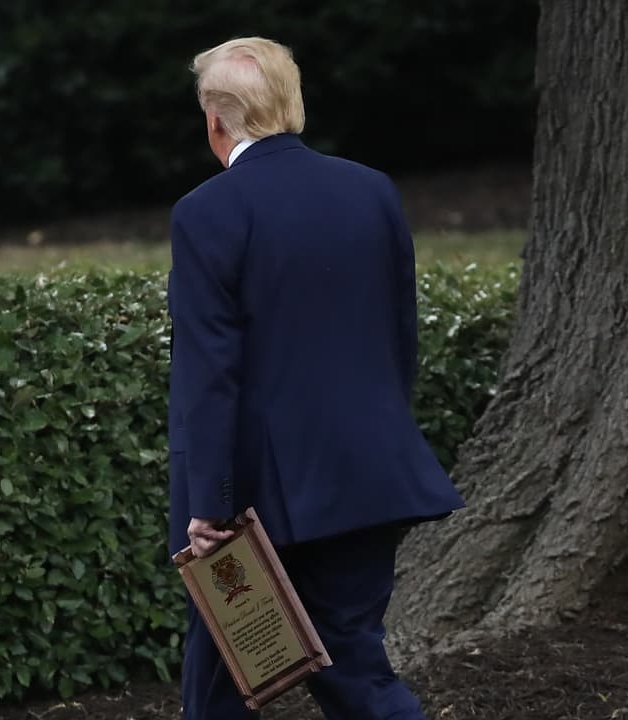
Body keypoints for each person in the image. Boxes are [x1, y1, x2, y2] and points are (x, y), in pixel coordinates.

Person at [166, 37, 465, 720]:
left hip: (252, 500)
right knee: (355, 666)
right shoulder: (371, 191)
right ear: (291, 104)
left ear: (214, 120)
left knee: (219, 681)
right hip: (366, 474)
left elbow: (211, 369)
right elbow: (399, 336)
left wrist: (209, 504)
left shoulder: (207, 212)